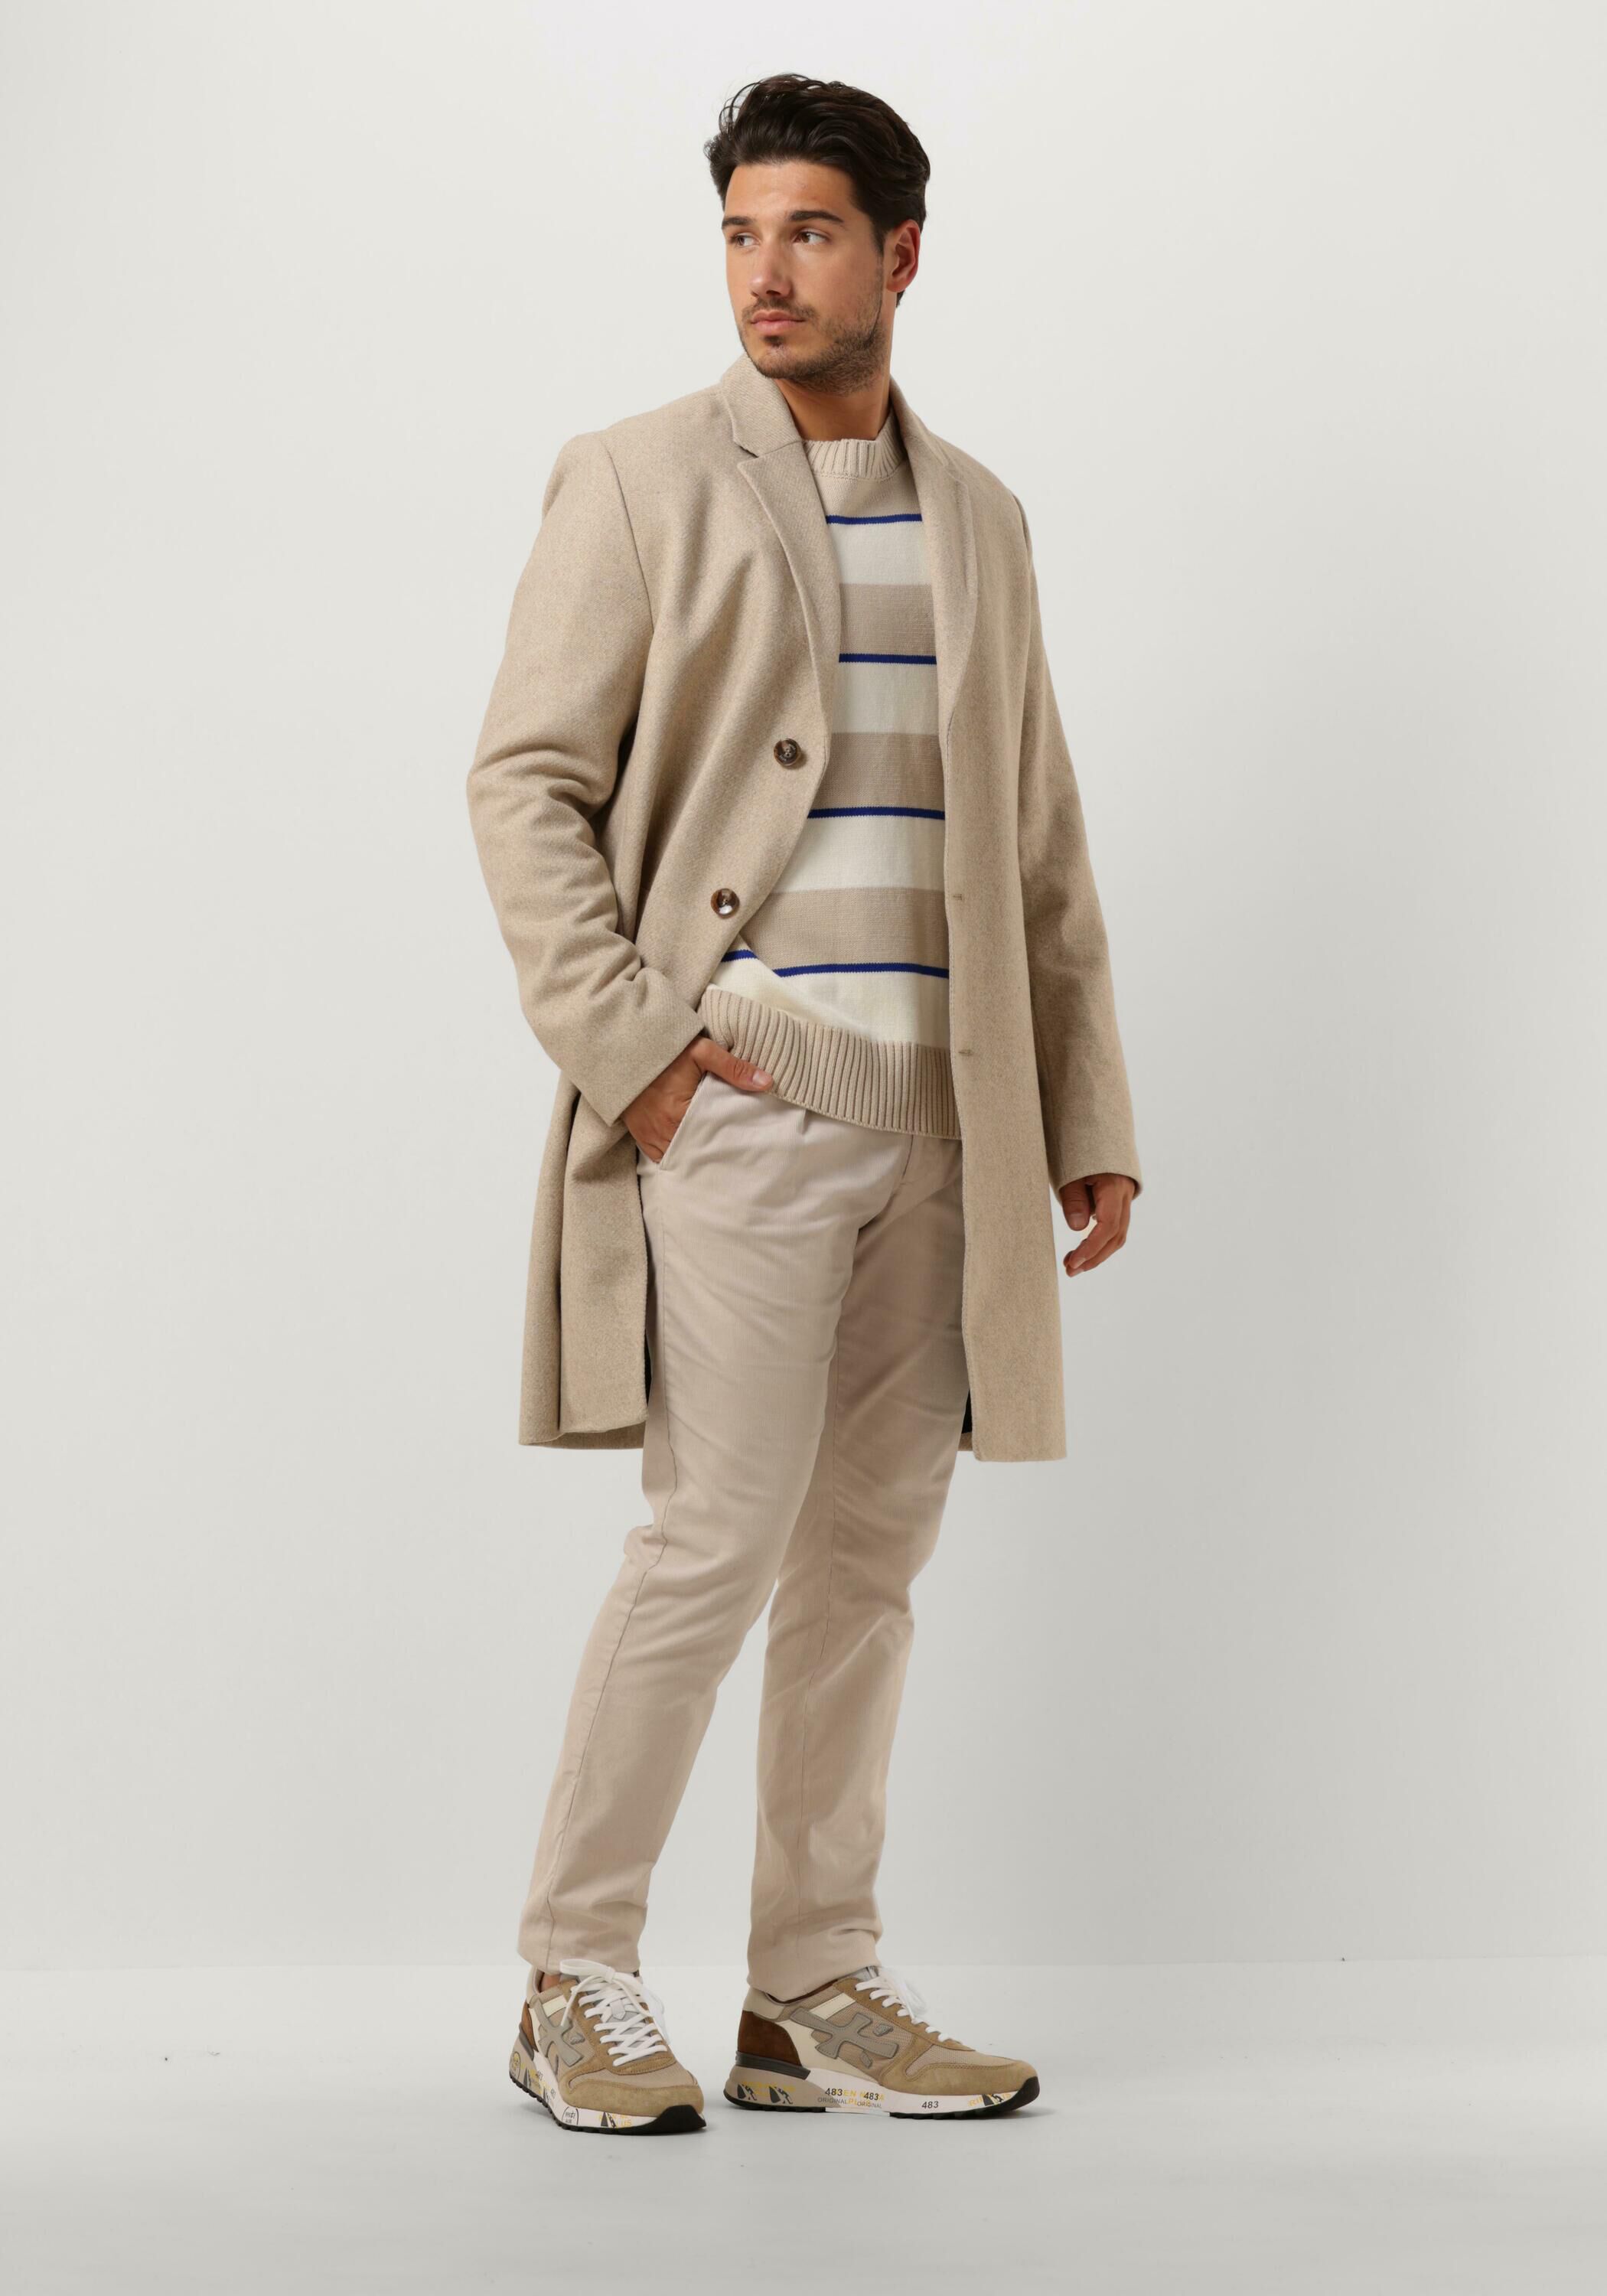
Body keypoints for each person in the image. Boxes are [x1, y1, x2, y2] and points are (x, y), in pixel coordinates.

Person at [468, 71, 1142, 2135]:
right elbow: (525, 785)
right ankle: (572, 1976)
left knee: (865, 1569)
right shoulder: (636, 478)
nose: (766, 274)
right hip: (743, 1098)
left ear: (900, 255)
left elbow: (1033, 833)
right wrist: (641, 1058)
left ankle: (811, 1990)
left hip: (945, 1118)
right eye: (742, 235)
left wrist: (1086, 1111)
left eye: (811, 234)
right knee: (710, 1547)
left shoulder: (983, 517)